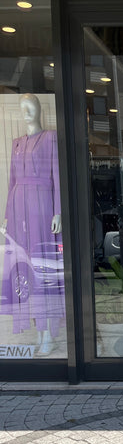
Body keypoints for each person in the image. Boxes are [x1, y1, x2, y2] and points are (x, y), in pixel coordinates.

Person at [0, 93, 63, 355]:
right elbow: (12, 181)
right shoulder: (16, 143)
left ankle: (48, 333)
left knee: (41, 268)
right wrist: (7, 215)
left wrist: (58, 211)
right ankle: (39, 332)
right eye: (22, 108)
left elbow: (57, 176)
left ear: (39, 110)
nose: (26, 113)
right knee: (24, 268)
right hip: (18, 212)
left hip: (42, 208)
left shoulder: (50, 138)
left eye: (31, 108)